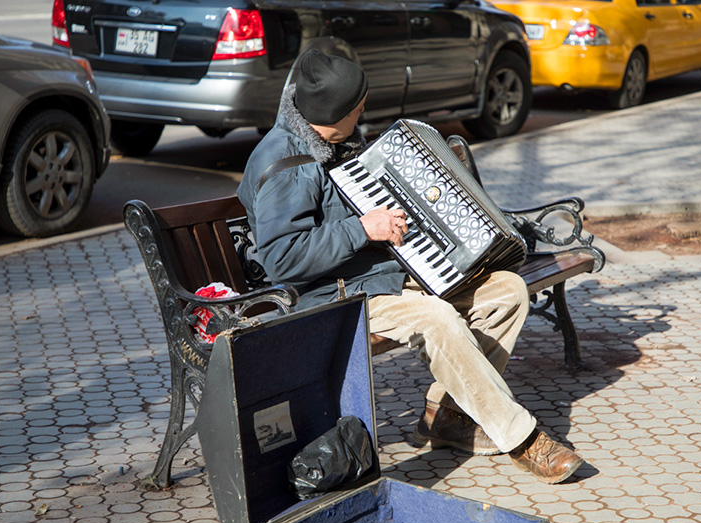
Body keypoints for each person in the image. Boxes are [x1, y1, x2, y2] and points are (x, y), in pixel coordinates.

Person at [237, 49, 585, 484]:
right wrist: (362, 229)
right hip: (331, 296)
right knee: (437, 318)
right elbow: (282, 260)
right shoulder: (287, 165)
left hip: (378, 275)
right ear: (334, 113)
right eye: (358, 107)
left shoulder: (336, 140)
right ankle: (522, 439)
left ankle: (447, 415)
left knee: (507, 291)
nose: (363, 112)